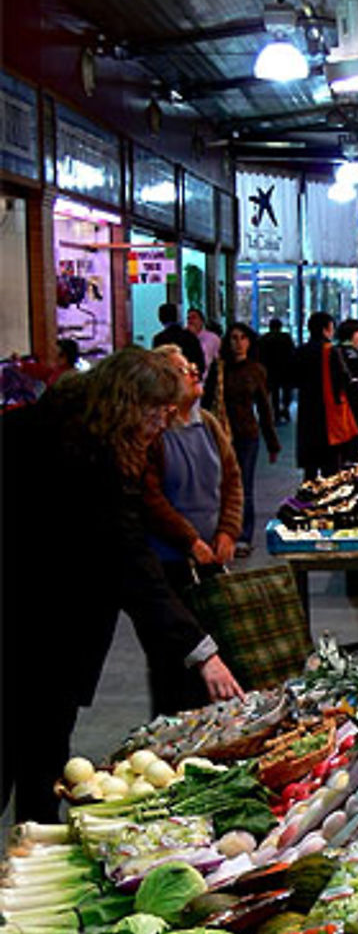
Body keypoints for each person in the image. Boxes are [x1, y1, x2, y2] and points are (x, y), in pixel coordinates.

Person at [1, 347, 242, 823]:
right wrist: (202, 651)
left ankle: (29, 856)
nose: (163, 423)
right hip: (42, 633)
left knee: (34, 757)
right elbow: (130, 564)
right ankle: (32, 856)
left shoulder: (41, 426)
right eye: (158, 411)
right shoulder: (91, 464)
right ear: (128, 404)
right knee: (34, 756)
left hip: (33, 625)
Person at [141, 346, 244, 714]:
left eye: (191, 367)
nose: (195, 373)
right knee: (174, 664)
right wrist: (190, 540)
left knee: (219, 653)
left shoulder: (209, 424)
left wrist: (228, 531)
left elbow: (232, 480)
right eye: (183, 370)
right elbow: (151, 499)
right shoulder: (153, 433)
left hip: (211, 560)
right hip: (169, 566)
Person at [203, 322, 279, 555]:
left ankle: (243, 536)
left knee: (243, 487)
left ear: (250, 342)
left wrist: (272, 442)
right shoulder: (218, 370)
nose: (238, 343)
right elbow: (206, 404)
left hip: (247, 435)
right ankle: (222, 533)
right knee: (219, 486)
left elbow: (265, 408)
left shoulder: (255, 370)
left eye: (243, 338)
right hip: (220, 435)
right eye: (234, 338)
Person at [294, 311, 358, 479]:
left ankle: (307, 497)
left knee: (310, 468)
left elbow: (293, 378)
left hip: (307, 412)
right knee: (331, 467)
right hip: (329, 414)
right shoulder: (330, 351)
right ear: (327, 329)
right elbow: (345, 380)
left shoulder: (301, 350)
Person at [257, 315, 297, 425]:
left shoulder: (264, 339)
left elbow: (260, 355)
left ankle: (276, 413)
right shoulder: (286, 338)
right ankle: (285, 408)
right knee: (286, 391)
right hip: (285, 369)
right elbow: (292, 353)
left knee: (274, 392)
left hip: (270, 370)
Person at [152, 301, 205, 375]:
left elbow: (157, 365)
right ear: (177, 317)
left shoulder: (159, 339)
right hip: (189, 378)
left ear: (160, 318)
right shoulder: (190, 336)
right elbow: (200, 363)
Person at [186, 307, 221, 377]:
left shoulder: (212, 338)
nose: (191, 321)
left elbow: (219, 359)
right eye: (188, 318)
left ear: (201, 321)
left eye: (194, 318)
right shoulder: (184, 338)